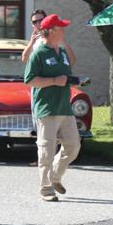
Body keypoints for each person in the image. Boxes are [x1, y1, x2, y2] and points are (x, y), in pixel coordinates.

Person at [24, 13, 81, 201]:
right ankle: (45, 188)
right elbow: (30, 80)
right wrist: (53, 81)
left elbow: (68, 71)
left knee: (73, 146)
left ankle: (55, 176)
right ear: (50, 31)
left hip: (65, 107)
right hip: (47, 109)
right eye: (60, 27)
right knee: (46, 150)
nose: (63, 30)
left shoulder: (62, 52)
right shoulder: (39, 53)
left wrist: (73, 81)